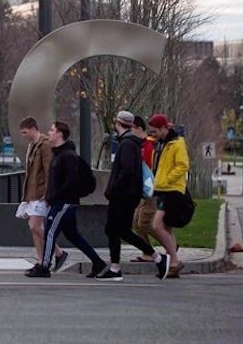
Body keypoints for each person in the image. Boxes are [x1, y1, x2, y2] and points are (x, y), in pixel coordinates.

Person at [26, 121, 107, 278]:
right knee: (73, 235)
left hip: (64, 202)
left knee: (50, 232)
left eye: (52, 130)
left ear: (59, 134)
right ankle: (98, 263)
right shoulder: (59, 155)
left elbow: (70, 181)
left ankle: (44, 266)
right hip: (61, 201)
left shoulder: (67, 156)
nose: (49, 133)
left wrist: (55, 196)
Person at [97, 111, 170, 281]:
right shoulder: (131, 143)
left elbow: (127, 171)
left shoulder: (127, 144)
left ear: (118, 123)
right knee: (114, 230)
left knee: (120, 230)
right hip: (127, 196)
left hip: (122, 196)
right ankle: (116, 268)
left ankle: (157, 258)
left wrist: (113, 189)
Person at [18, 117, 68, 272]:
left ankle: (57, 252)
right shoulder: (33, 145)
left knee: (35, 226)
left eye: (25, 132)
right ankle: (41, 260)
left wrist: (47, 193)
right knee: (35, 227)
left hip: (40, 193)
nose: (23, 135)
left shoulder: (44, 145)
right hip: (33, 193)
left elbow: (49, 170)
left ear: (33, 129)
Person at [149, 114, 189, 278]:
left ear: (164, 128)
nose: (153, 134)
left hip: (172, 190)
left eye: (155, 131)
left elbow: (183, 165)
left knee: (157, 225)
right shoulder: (163, 144)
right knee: (166, 227)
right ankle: (173, 263)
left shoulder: (176, 143)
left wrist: (167, 179)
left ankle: (174, 260)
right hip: (163, 188)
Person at [130, 116, 159, 262]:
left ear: (139, 129)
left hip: (150, 188)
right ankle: (147, 251)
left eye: (131, 128)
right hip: (140, 189)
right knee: (136, 222)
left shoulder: (149, 145)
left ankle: (169, 243)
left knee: (144, 222)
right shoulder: (138, 145)